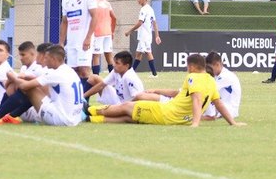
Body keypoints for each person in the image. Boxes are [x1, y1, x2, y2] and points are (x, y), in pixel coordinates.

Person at [87, 54, 246, 127]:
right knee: (130, 118)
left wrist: (196, 123)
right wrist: (233, 122)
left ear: (191, 67)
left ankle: (88, 111)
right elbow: (218, 104)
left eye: (187, 66)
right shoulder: (211, 81)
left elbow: (196, 100)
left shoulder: (193, 78)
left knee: (127, 107)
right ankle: (91, 120)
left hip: (166, 113)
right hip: (179, 118)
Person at [0, 41, 49, 125]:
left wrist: (13, 78)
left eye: (0, 50)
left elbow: (24, 85)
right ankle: (3, 115)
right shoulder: (24, 68)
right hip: (10, 107)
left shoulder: (5, 68)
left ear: (7, 55)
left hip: (34, 110)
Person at [12, 45, 84, 126]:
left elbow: (24, 86)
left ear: (53, 59)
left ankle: (11, 115)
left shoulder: (54, 73)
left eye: (46, 58)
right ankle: (12, 114)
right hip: (75, 119)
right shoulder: (69, 70)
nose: (44, 61)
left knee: (30, 89)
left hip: (62, 119)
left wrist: (12, 76)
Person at [59, 0, 98, 95]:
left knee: (85, 70)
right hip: (71, 41)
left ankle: (84, 101)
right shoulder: (65, 0)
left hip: (84, 40)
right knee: (73, 71)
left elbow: (95, 17)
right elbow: (65, 22)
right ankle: (76, 101)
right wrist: (61, 42)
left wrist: (88, 38)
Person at [125, 0, 161, 76]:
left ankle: (154, 74)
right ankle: (132, 72)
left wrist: (130, 30)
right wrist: (157, 35)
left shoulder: (144, 9)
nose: (138, 0)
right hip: (147, 35)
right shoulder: (150, 9)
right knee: (139, 53)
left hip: (144, 35)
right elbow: (154, 23)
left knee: (147, 52)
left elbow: (140, 22)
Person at [87, 0, 117, 74]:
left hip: (97, 32)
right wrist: (112, 31)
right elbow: (114, 17)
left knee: (96, 56)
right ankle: (113, 77)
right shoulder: (106, 3)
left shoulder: (91, 3)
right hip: (108, 32)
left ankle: (96, 77)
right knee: (109, 55)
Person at [203, 52, 242, 120]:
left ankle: (208, 116)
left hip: (229, 109)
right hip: (221, 107)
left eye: (210, 68)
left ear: (217, 65)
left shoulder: (226, 76)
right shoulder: (216, 75)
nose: (208, 70)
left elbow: (207, 90)